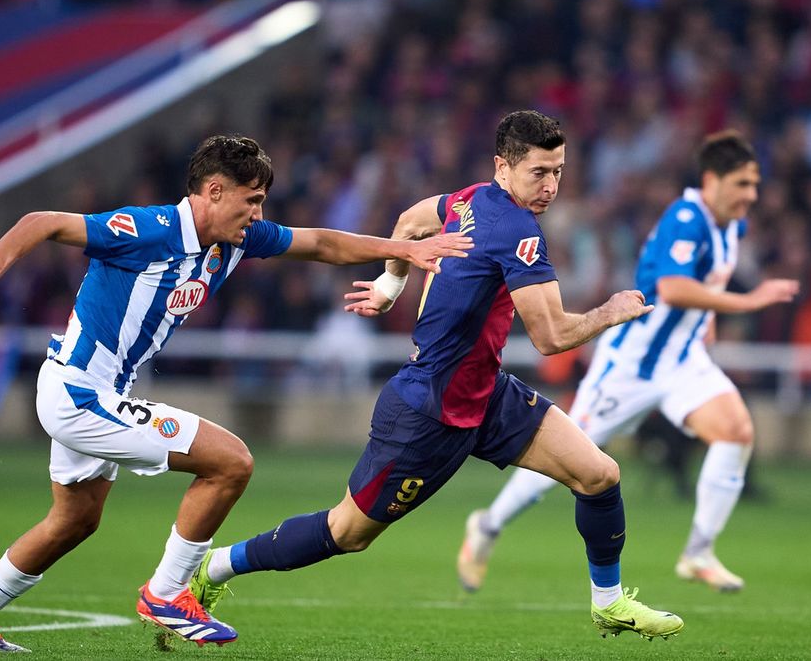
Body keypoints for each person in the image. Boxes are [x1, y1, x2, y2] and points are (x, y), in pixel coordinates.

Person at [0, 135, 472, 652]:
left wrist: (403, 249)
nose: (258, 213)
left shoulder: (238, 239)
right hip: (78, 392)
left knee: (74, 521)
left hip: (101, 391)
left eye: (262, 201)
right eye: (250, 200)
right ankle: (165, 593)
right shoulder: (147, 229)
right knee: (231, 462)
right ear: (213, 191)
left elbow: (323, 243)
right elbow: (40, 221)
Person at [189, 111, 685, 641]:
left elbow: (409, 221)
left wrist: (389, 284)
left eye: (559, 172)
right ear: (503, 166)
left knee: (599, 474)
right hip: (428, 410)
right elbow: (550, 338)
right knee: (348, 532)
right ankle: (212, 567)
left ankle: (607, 604)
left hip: (485, 394)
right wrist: (609, 312)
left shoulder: (469, 199)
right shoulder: (515, 229)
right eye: (539, 172)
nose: (551, 186)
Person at [457, 130, 800, 595]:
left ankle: (698, 552)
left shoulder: (731, 226)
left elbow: (703, 290)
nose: (751, 196)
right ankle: (488, 525)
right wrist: (750, 300)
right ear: (712, 180)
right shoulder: (686, 219)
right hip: (631, 367)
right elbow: (674, 289)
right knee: (568, 462)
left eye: (754, 185)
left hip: (683, 362)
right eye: (742, 184)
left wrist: (708, 327)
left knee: (736, 431)